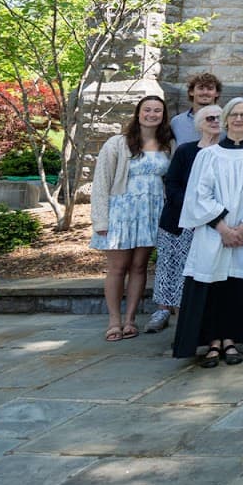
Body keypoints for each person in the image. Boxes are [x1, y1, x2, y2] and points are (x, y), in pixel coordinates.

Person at [173, 97, 243, 365]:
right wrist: (222, 227)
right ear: (226, 119)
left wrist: (242, 227)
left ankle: (231, 340)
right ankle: (212, 342)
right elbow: (198, 194)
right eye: (233, 115)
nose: (238, 119)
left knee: (237, 287)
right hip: (213, 232)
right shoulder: (208, 155)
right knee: (213, 285)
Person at [91, 95, 172, 342]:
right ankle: (114, 320)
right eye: (147, 110)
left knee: (139, 267)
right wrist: (100, 221)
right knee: (117, 268)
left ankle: (130, 319)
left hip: (151, 213)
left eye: (157, 110)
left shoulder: (168, 145)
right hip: (121, 213)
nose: (152, 114)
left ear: (163, 115)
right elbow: (101, 183)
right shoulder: (117, 143)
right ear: (138, 113)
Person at [149, 103, 219, 335]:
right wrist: (192, 208)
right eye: (209, 118)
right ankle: (180, 329)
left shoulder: (227, 153)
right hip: (179, 221)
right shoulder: (186, 151)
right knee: (174, 272)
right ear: (200, 123)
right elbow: (172, 184)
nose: (215, 122)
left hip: (212, 224)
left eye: (219, 118)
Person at [170, 72, 221, 148]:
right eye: (200, 88)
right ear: (191, 92)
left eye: (210, 89)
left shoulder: (226, 120)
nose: (205, 92)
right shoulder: (177, 122)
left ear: (217, 93)